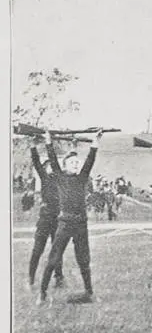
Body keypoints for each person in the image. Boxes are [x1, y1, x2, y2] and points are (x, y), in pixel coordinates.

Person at [37, 129, 103, 306]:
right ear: (65, 166)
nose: (76, 165)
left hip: (81, 223)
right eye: (72, 162)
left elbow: (90, 159)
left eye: (77, 162)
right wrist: (48, 140)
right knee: (54, 258)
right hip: (65, 223)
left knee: (84, 259)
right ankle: (42, 293)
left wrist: (95, 141)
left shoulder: (82, 178)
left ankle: (89, 293)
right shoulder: (59, 176)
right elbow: (52, 158)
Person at [28, 143, 65, 290]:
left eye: (51, 165)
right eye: (47, 166)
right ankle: (31, 278)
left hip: (57, 218)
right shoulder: (44, 177)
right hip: (44, 218)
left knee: (57, 250)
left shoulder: (61, 179)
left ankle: (59, 278)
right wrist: (32, 146)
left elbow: (55, 162)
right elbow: (36, 162)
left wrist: (49, 144)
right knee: (38, 249)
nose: (50, 167)